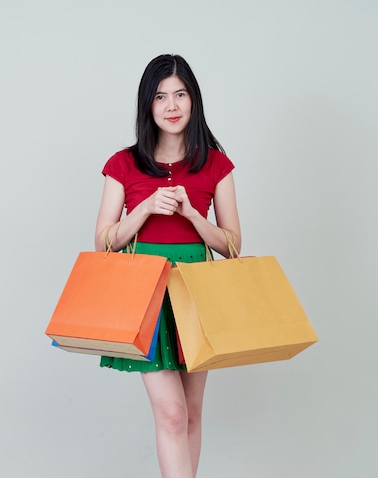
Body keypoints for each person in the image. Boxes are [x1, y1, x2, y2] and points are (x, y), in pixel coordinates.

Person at [94, 54, 242, 478]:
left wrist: (195, 216)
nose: (171, 105)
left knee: (192, 413)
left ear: (193, 101)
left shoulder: (216, 163)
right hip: (147, 291)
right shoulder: (123, 163)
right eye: (160, 96)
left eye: (180, 94)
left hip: (197, 291)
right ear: (148, 104)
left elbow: (232, 245)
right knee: (173, 415)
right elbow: (103, 240)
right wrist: (141, 209)